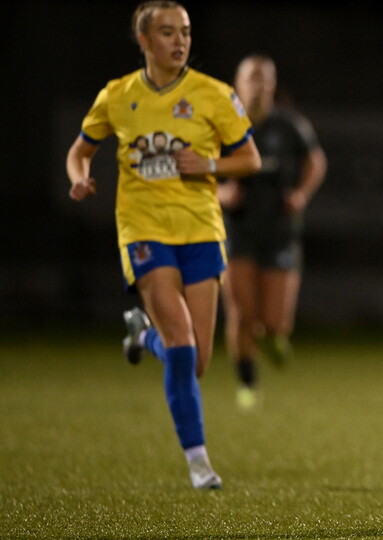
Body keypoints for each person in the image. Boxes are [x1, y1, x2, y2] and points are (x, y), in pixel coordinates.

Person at [65, 0, 261, 490]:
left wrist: (209, 166)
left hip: (200, 229)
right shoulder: (117, 96)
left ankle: (140, 334)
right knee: (180, 342)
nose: (180, 41)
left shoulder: (214, 95)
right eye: (169, 32)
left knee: (195, 361)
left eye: (187, 32)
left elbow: (251, 160)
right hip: (143, 230)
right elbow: (80, 150)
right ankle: (199, 463)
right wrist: (80, 178)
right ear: (145, 41)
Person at [217, 54, 327, 411]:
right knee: (242, 313)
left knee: (276, 322)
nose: (259, 85)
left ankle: (275, 337)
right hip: (237, 231)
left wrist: (301, 194)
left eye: (266, 78)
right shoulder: (222, 126)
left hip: (280, 231)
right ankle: (247, 384)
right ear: (237, 83)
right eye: (252, 78)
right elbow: (195, 174)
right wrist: (221, 193)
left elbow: (316, 161)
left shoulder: (289, 125)